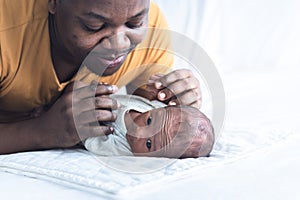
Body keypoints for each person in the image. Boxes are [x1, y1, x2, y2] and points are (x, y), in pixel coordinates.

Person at [0, 0, 202, 155]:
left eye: (134, 23)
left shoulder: (150, 26)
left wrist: (174, 100)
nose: (119, 44)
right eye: (94, 26)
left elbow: (142, 106)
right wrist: (41, 132)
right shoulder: (5, 31)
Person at [84, 94, 214, 158]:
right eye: (149, 121)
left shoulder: (119, 148)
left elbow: (88, 140)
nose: (138, 133)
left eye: (149, 144)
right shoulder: (154, 107)